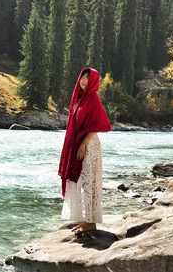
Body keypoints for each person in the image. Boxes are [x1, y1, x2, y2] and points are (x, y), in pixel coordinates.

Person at [58, 67, 111, 235]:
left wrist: (83, 144)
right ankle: (87, 219)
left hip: (89, 145)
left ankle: (91, 222)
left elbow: (96, 125)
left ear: (93, 81)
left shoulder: (93, 98)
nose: (84, 81)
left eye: (88, 78)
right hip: (80, 144)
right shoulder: (79, 98)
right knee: (82, 181)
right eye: (83, 77)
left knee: (89, 182)